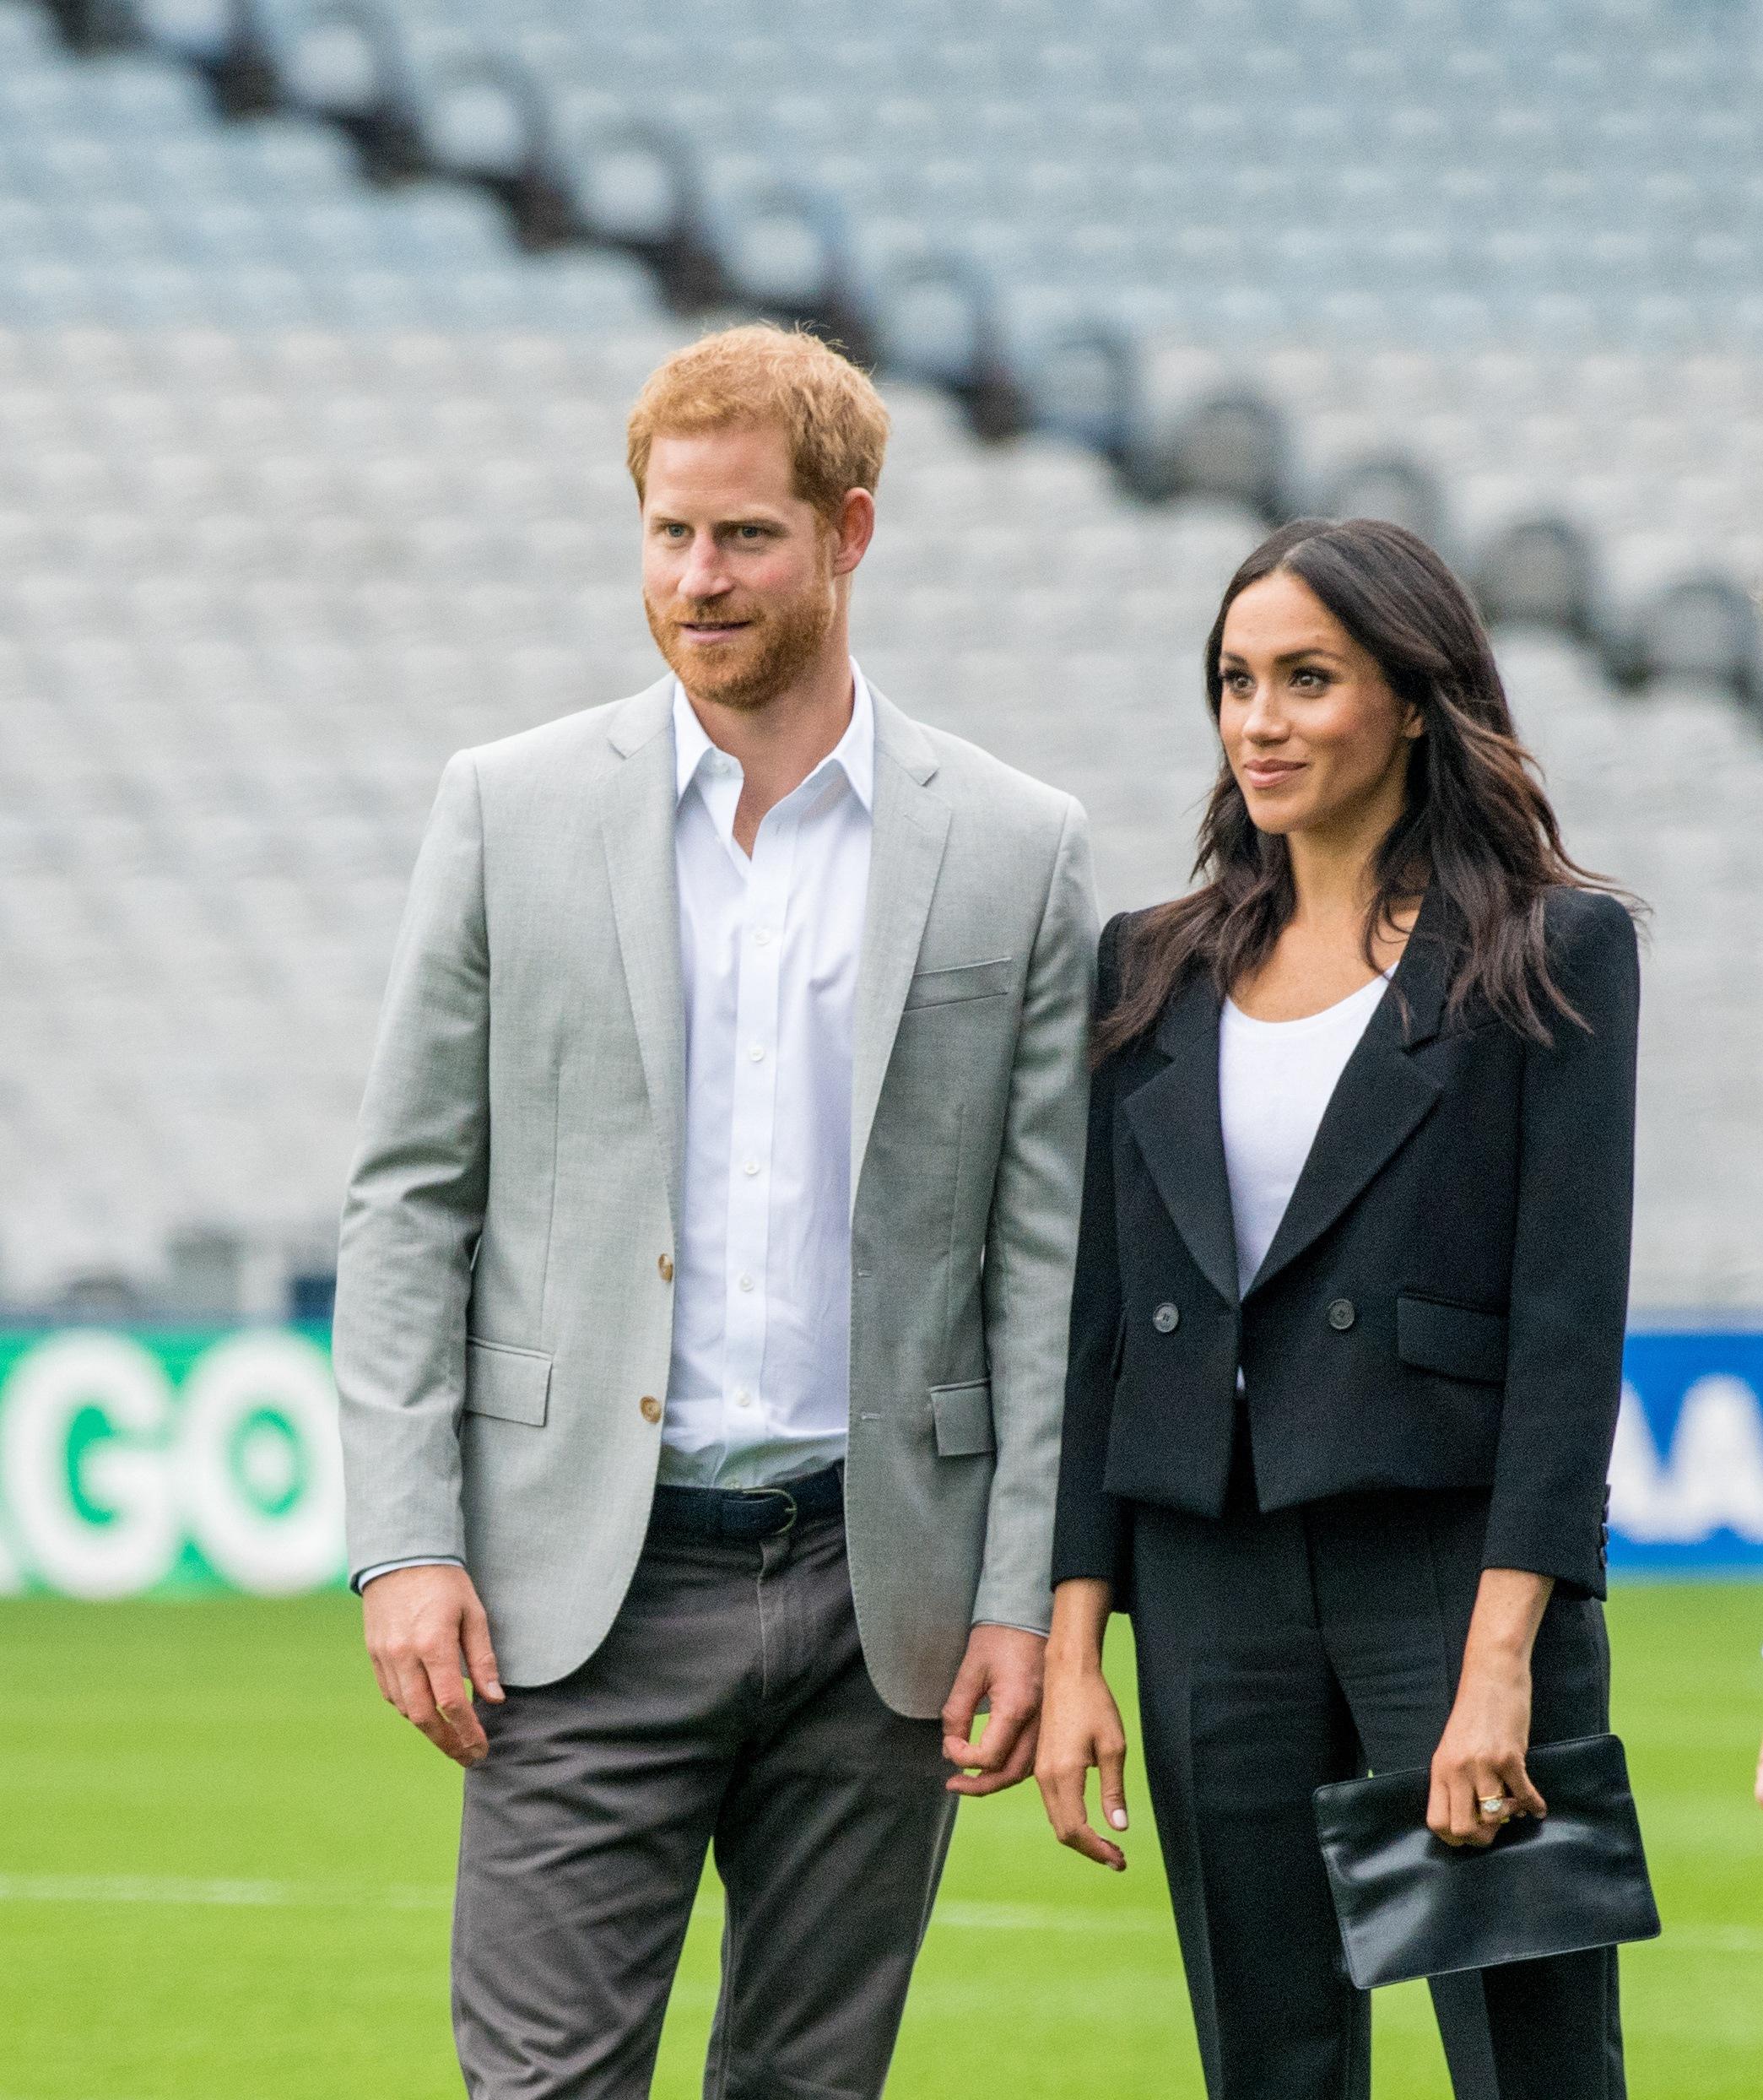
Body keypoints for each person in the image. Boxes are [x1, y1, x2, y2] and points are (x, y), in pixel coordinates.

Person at [333, 323, 1097, 2098]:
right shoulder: (506, 809)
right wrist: (405, 1536)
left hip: (877, 1587)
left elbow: (1042, 1261)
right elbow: (406, 1197)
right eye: (668, 534)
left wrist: (1018, 1592)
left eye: (743, 534)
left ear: (849, 533)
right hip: (575, 1578)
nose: (697, 577)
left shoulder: (1013, 841)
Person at [1037, 517, 1641, 2098]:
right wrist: (1072, 1642)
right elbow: (1103, 1324)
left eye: (1307, 679)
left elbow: (1569, 1330)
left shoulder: (1550, 949)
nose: (1259, 720)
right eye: (1234, 682)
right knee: (1268, 2063)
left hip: (1448, 1577)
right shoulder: (1146, 965)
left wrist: (1504, 1655)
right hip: (1206, 1581)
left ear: (1417, 702)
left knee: (1532, 2063)